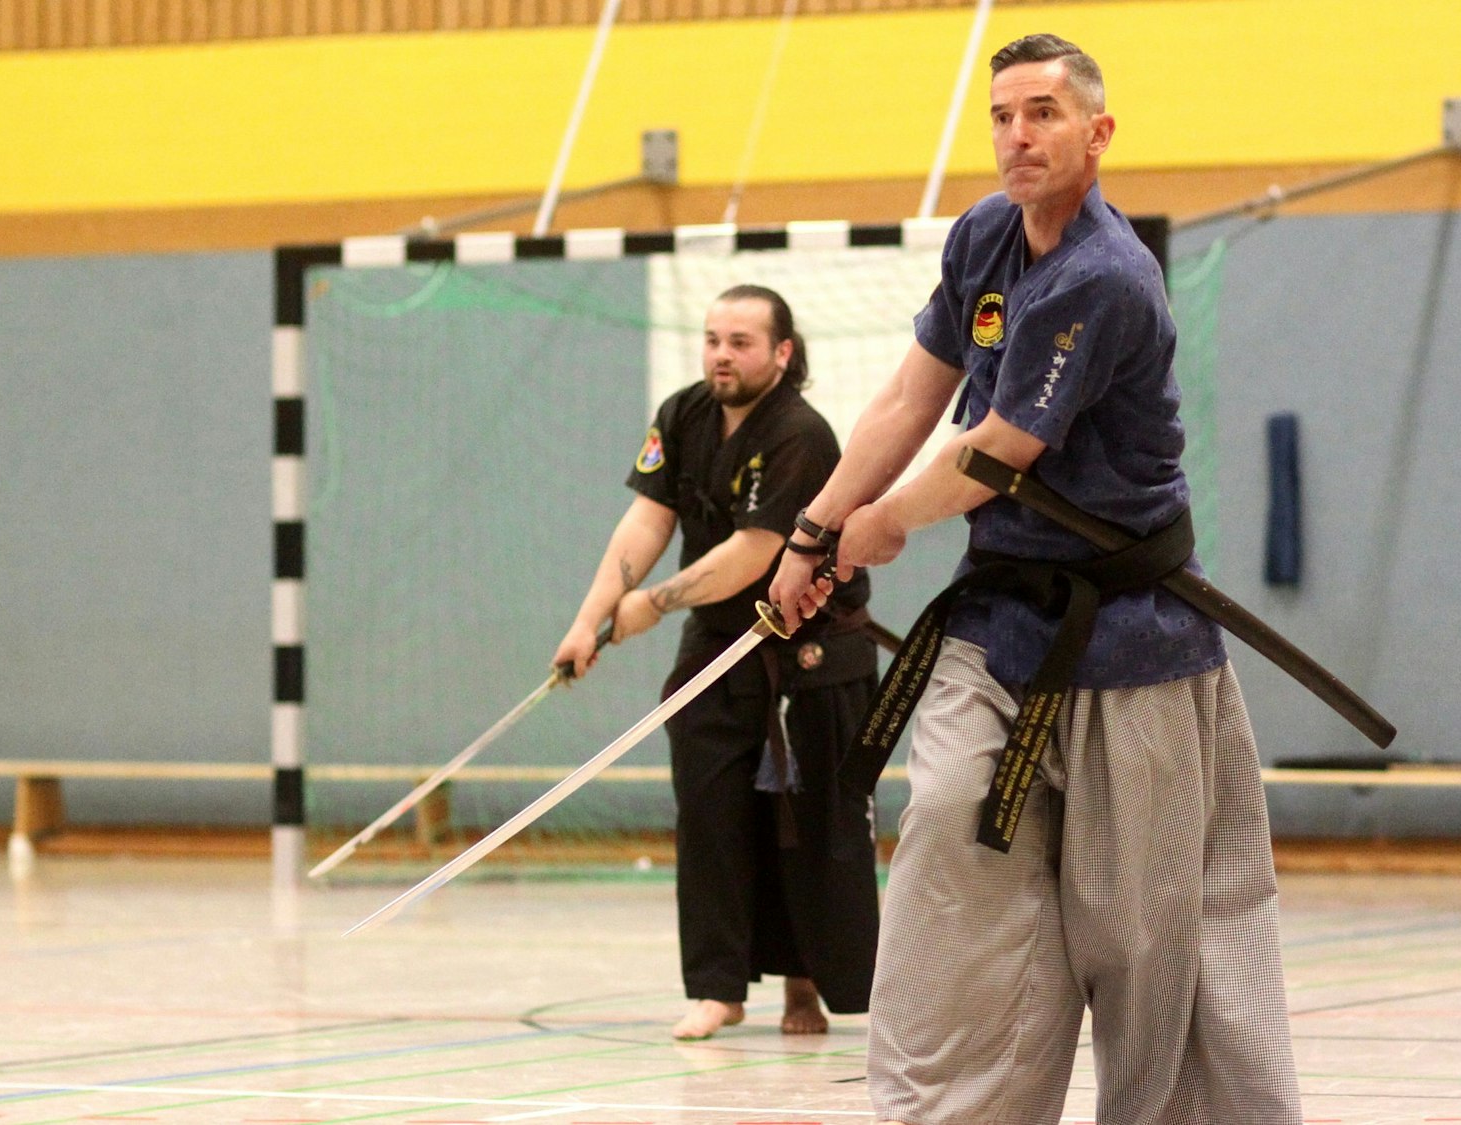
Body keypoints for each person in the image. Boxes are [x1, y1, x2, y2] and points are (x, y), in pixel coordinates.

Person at [769, 33, 1301, 1125]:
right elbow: (909, 400)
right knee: (952, 822)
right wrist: (811, 531)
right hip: (1000, 620)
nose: (1019, 135)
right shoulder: (981, 239)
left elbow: (998, 446)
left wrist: (883, 525)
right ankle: (957, 1109)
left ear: (1096, 133)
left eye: (1044, 113)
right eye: (1003, 115)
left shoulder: (1102, 277)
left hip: (1133, 644)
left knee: (1142, 934)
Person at [552, 285, 880, 1041]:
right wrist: (588, 618)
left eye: (740, 341)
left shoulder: (801, 434)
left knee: (805, 827)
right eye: (711, 339)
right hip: (716, 651)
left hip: (809, 654)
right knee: (707, 812)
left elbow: (756, 553)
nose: (721, 355)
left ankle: (808, 986)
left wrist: (654, 602)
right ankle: (716, 987)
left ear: (782, 353)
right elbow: (646, 520)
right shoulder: (682, 414)